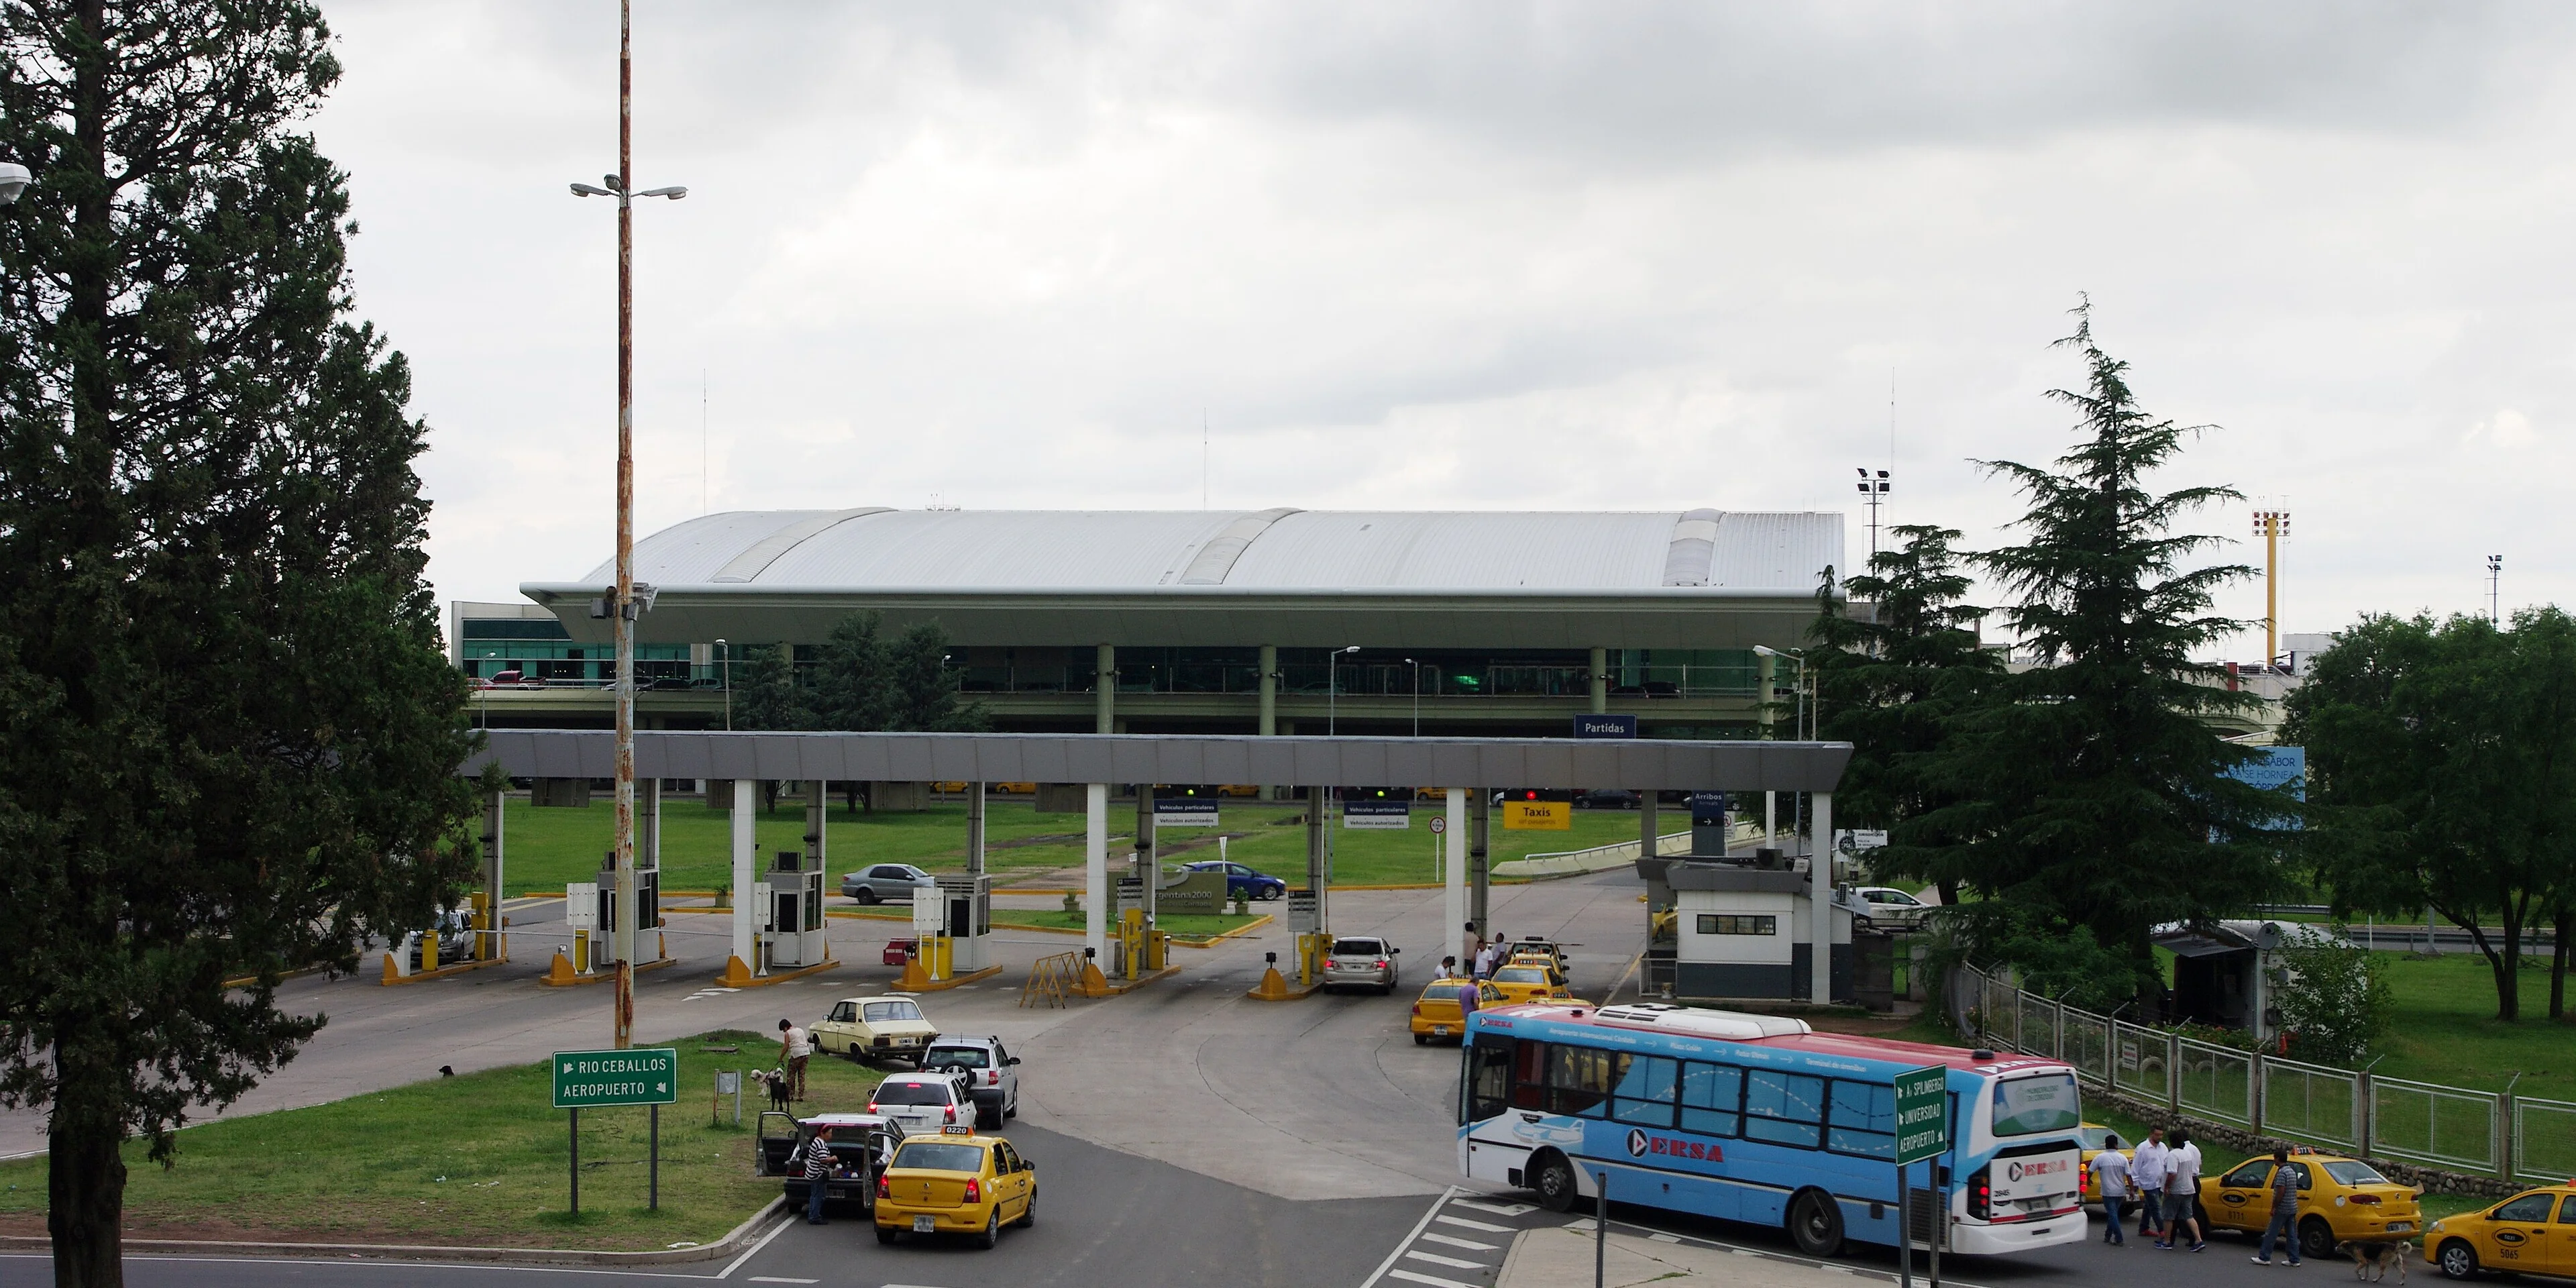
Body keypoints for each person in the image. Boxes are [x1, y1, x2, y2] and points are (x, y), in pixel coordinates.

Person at [2252, 1148, 2303, 1266]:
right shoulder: (2291, 1171)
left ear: (2279, 1159)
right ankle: (2294, 1259)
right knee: (2291, 1235)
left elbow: (2280, 1191)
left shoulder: (2281, 1173)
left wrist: (2274, 1207)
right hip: (2292, 1207)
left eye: (2275, 1158)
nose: (2274, 1160)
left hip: (2282, 1208)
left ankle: (2264, 1257)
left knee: (2271, 1233)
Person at [2158, 1128, 2205, 1251]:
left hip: (2176, 1190)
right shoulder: (2187, 1154)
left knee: (2169, 1216)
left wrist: (2167, 1187)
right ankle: (2198, 1240)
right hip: (2189, 1188)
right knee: (2189, 1215)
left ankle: (2167, 1241)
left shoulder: (2173, 1155)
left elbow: (2172, 1173)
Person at [2130, 1126, 2168, 1242]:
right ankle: (2163, 1231)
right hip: (2148, 1183)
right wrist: (2135, 1183)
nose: (2159, 1137)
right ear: (2151, 1134)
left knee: (2149, 1206)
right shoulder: (2143, 1148)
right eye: (2157, 1135)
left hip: (2160, 1182)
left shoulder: (2163, 1147)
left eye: (2161, 1135)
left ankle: (2144, 1227)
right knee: (2156, 1206)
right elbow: (2136, 1166)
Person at [2094, 1143, 2132, 1246]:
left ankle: (2119, 1238)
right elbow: (2129, 1175)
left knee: (2112, 1214)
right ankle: (2108, 1235)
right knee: (2113, 1213)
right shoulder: (2123, 1158)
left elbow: (2090, 1171)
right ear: (2116, 1145)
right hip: (2120, 1191)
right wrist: (2132, 1190)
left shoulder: (2100, 1157)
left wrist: (2088, 1180)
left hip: (2107, 1191)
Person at [800, 1124, 837, 1224]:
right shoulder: (820, 1143)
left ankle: (813, 1215)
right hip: (818, 1174)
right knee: (818, 1196)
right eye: (829, 1133)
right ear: (822, 1133)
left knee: (814, 1195)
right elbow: (823, 1159)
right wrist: (833, 1158)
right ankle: (815, 1217)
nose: (831, 1135)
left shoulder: (817, 1141)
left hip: (814, 1173)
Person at [778, 1017, 811, 1102]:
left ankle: (790, 1095)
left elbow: (786, 1046)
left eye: (783, 1030)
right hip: (806, 1053)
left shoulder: (788, 1033)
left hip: (796, 1054)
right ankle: (801, 1096)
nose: (784, 1032)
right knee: (802, 1076)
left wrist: (781, 1057)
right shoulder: (800, 1030)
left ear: (785, 1027)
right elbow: (805, 1043)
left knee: (791, 1076)